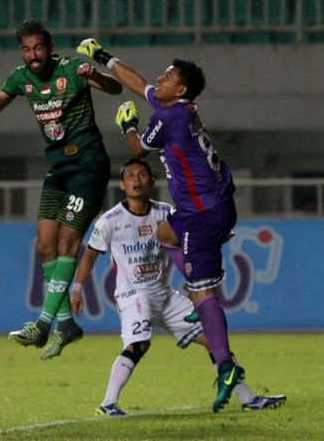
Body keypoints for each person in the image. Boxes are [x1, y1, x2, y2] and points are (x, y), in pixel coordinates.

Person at [76, 38, 250, 412]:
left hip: (203, 214)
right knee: (165, 232)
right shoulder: (178, 107)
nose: (161, 77)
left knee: (204, 296)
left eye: (169, 75)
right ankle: (202, 306)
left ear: (181, 89)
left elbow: (139, 149)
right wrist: (103, 56)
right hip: (202, 211)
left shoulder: (170, 118)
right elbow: (138, 84)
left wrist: (128, 126)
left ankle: (225, 367)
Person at [0, 18, 122, 360]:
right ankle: (67, 325)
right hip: (59, 169)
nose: (33, 55)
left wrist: (96, 77)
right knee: (44, 245)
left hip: (88, 165)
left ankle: (44, 323)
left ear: (50, 47)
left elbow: (115, 89)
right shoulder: (19, 77)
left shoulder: (73, 69)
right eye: (26, 49)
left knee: (68, 241)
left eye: (38, 47)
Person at [71, 157, 286, 415]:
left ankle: (248, 398)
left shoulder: (166, 213)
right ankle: (108, 403)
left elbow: (194, 231)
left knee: (214, 338)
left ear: (151, 181)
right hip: (133, 294)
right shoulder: (110, 220)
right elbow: (90, 254)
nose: (136, 180)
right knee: (140, 344)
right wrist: (77, 287)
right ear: (121, 185)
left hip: (164, 294)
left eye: (142, 175)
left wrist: (216, 232)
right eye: (130, 176)